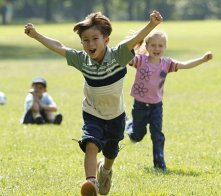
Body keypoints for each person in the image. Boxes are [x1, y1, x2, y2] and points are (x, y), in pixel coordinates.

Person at [24, 10, 163, 195]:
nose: (90, 44)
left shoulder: (118, 56)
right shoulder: (82, 61)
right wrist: (36, 35)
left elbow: (135, 40)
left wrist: (152, 25)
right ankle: (91, 182)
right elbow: (59, 47)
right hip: (92, 112)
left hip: (116, 115)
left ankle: (105, 171)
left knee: (111, 153)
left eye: (95, 38)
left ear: (106, 39)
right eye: (85, 40)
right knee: (91, 144)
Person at [125, 29, 213, 171]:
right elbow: (126, 58)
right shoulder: (140, 60)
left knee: (157, 134)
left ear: (165, 47)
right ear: (147, 47)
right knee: (137, 136)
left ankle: (159, 164)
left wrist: (202, 59)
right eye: (153, 45)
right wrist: (131, 44)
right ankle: (129, 125)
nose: (157, 48)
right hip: (140, 105)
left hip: (156, 106)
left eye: (160, 45)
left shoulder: (167, 63)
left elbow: (184, 65)